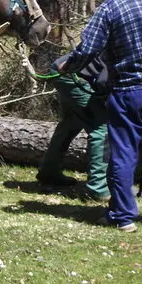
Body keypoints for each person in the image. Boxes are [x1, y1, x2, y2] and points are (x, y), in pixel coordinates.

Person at [55, 0, 142, 232]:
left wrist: (68, 65)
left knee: (124, 155)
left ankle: (124, 217)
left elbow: (88, 48)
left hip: (128, 92)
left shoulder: (111, 7)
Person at [36, 70, 108, 202]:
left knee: (71, 122)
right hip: (75, 76)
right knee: (101, 128)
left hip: (63, 72)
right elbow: (103, 81)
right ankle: (99, 188)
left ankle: (49, 172)